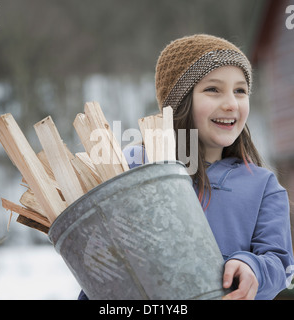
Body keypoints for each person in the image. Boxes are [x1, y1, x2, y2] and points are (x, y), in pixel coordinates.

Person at [79, 34, 294, 300]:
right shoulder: (136, 169)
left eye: (240, 90)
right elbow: (99, 269)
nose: (231, 103)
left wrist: (253, 268)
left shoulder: (263, 186)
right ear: (179, 101)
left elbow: (280, 263)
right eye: (213, 89)